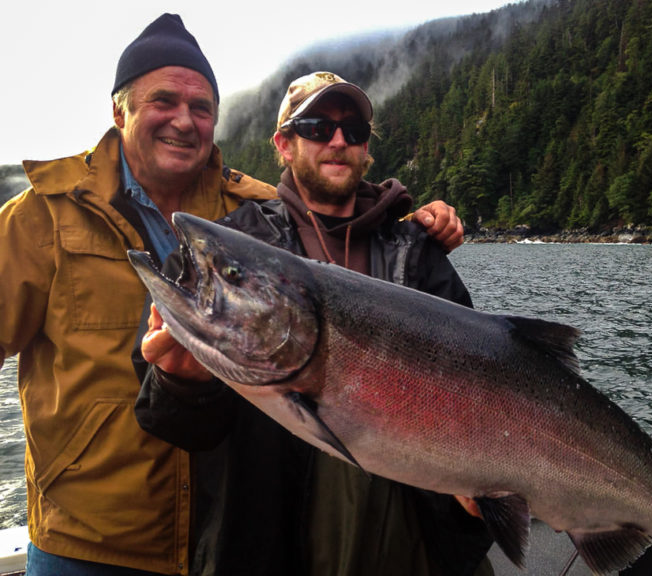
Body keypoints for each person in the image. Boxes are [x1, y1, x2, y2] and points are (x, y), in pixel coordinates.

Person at [0, 14, 461, 576]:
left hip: (216, 534)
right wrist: (176, 381)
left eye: (201, 108)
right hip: (92, 539)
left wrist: (417, 225)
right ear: (118, 110)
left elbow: (335, 219)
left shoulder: (248, 218)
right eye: (162, 101)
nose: (183, 121)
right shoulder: (45, 216)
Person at [135, 71, 494, 576]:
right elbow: (173, 426)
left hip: (421, 544)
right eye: (318, 126)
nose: (339, 140)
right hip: (277, 546)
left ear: (366, 148)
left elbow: (483, 378)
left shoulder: (417, 252)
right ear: (283, 143)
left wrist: (482, 475)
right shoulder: (231, 249)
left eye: (355, 131)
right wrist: (180, 383)